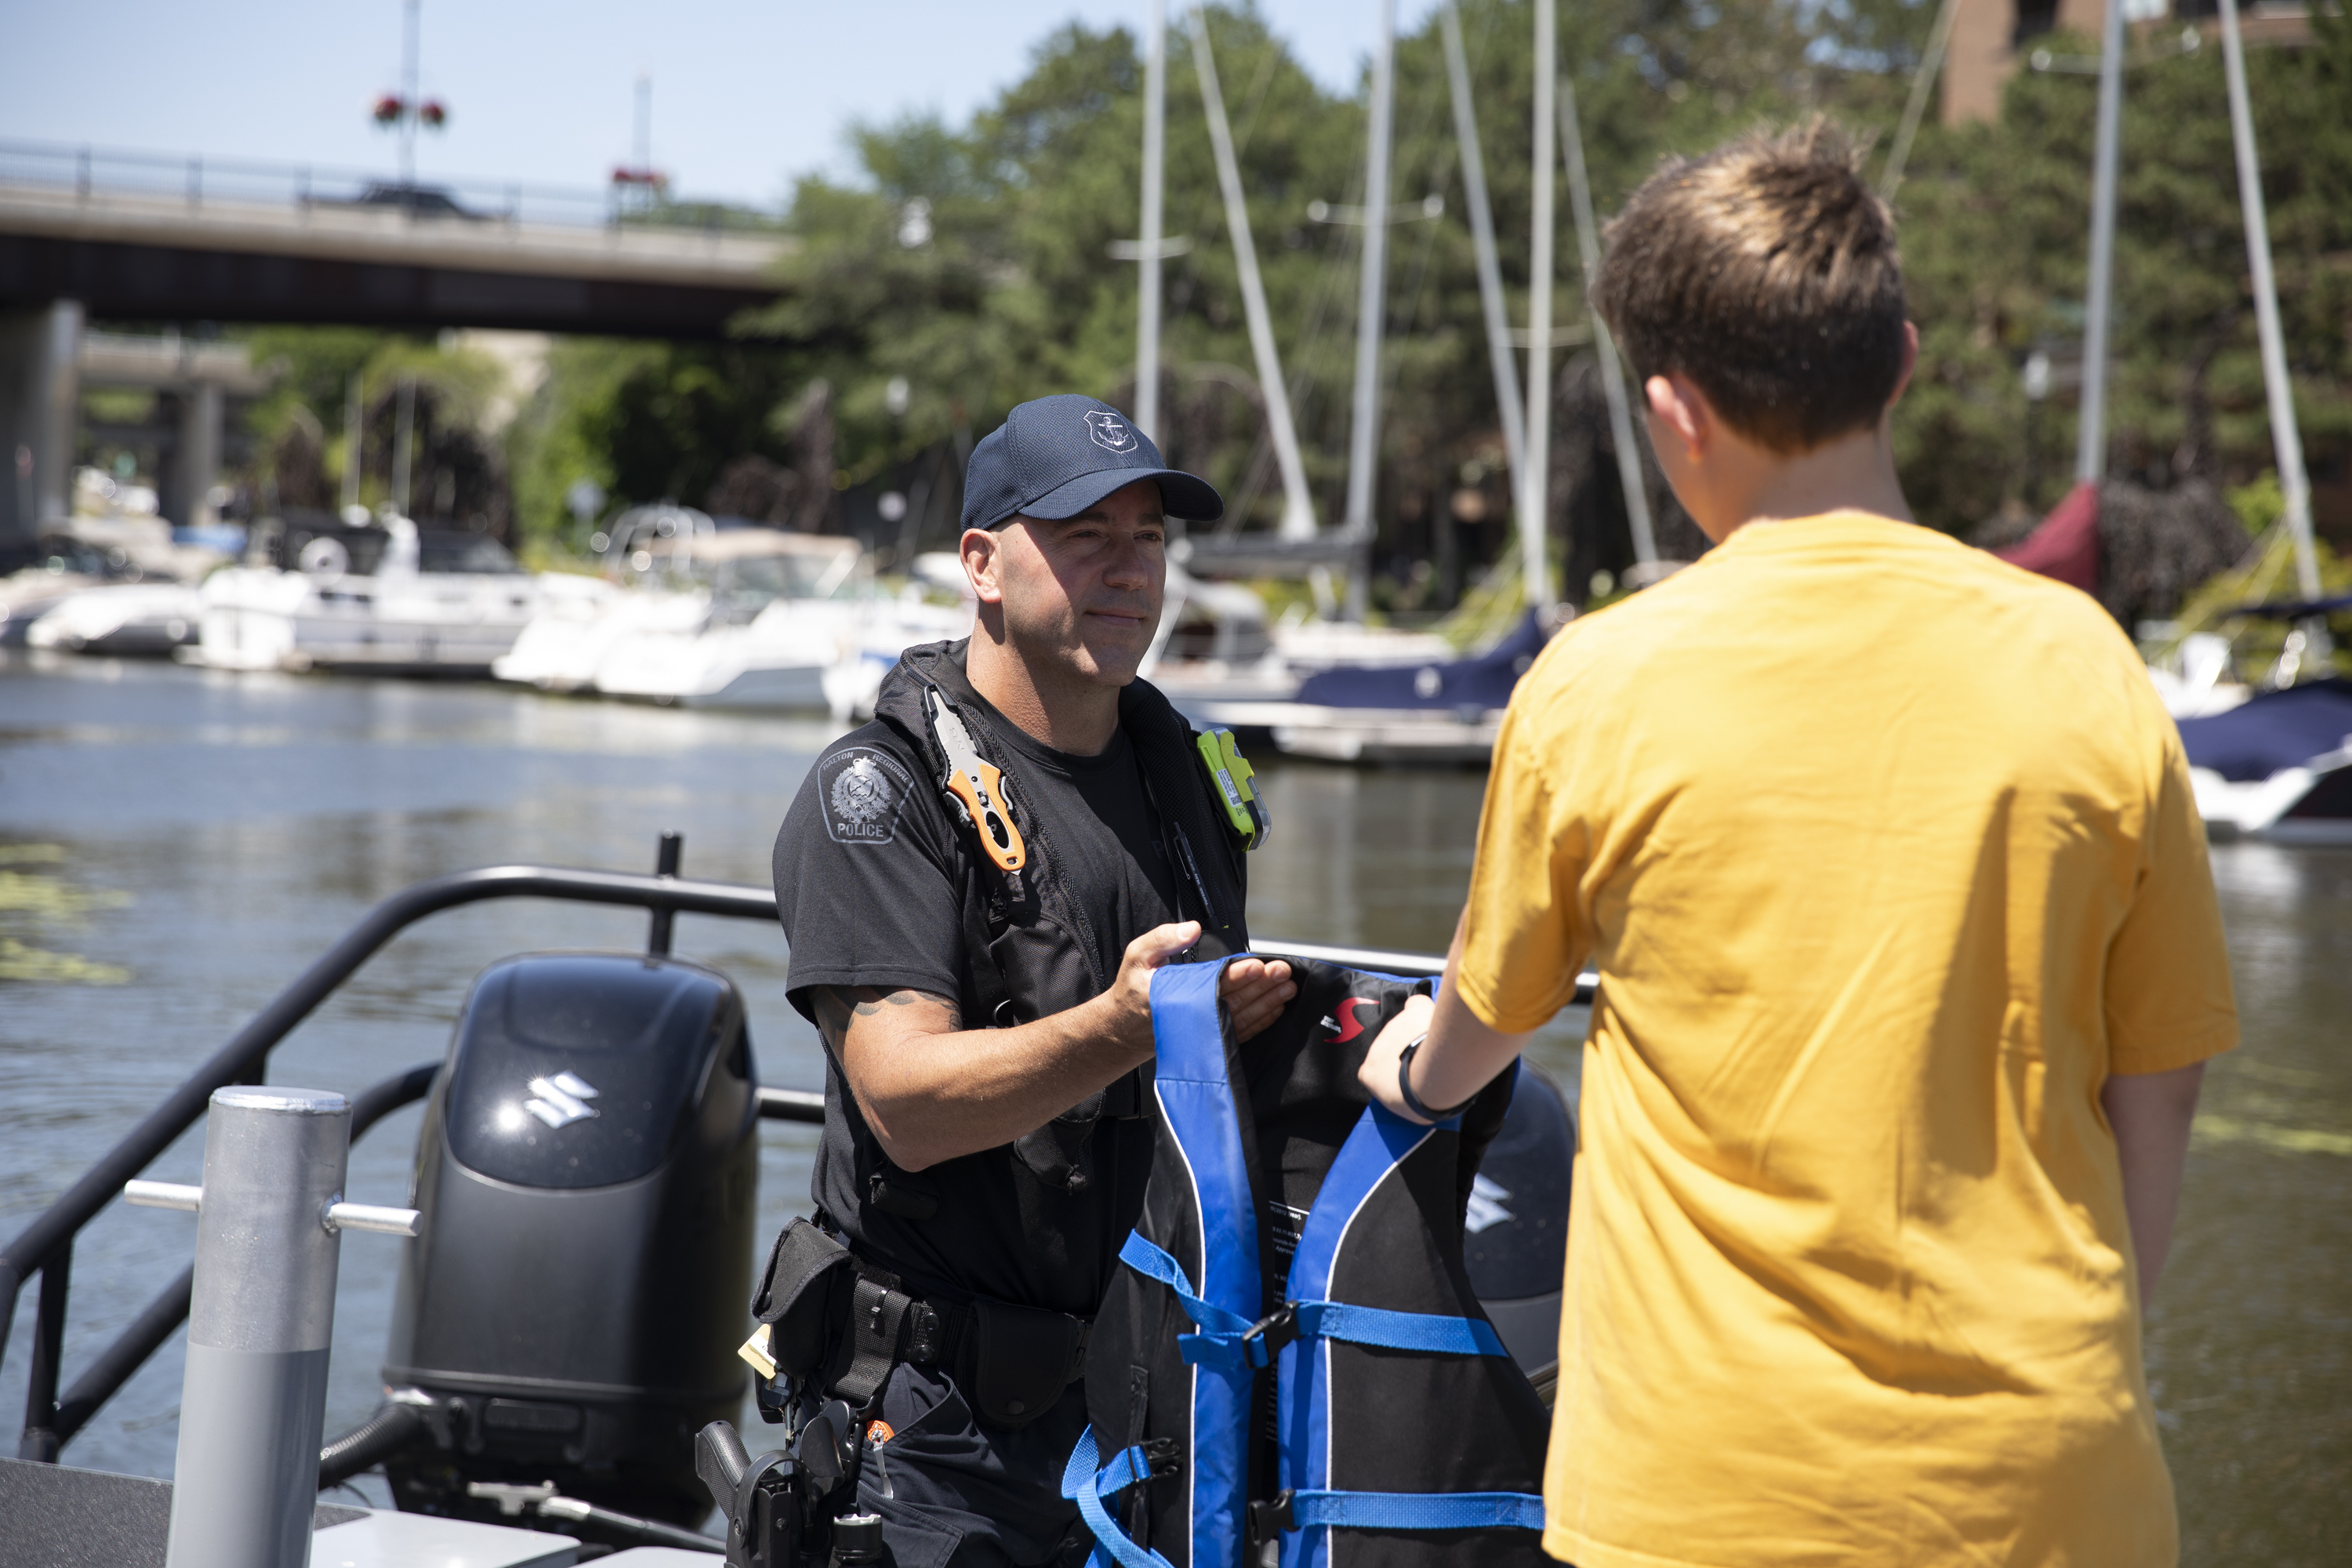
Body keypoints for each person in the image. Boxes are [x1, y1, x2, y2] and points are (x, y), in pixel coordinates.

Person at [1359, 123, 2237, 1567]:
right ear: (1899, 363)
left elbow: (1479, 1031)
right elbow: (2162, 1076)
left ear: (1670, 412)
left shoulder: (1601, 680)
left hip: (1701, 1492)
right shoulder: (2084, 664)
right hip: (2050, 1484)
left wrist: (1398, 1062)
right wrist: (2099, 1350)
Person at [770, 394, 1295, 1567]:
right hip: (937, 1439)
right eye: (1085, 537)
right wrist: (1121, 1026)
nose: (1129, 573)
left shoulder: (1189, 783)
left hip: (1145, 1410)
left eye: (1149, 539)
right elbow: (902, 1105)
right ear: (983, 564)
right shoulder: (880, 793)